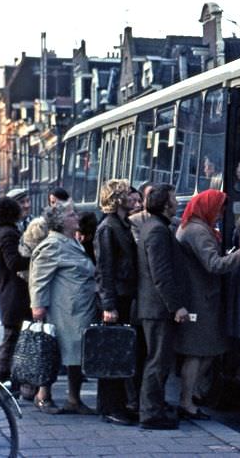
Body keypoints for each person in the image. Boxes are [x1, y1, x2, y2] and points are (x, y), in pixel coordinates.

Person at [175, 190, 240, 419]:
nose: (221, 214)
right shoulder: (199, 232)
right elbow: (214, 265)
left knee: (206, 350)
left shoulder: (190, 226)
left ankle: (191, 395)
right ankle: (187, 401)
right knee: (198, 353)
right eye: (219, 208)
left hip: (199, 298)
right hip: (201, 300)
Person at [28, 202, 97, 415]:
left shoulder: (71, 241)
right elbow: (38, 277)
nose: (76, 216)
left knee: (76, 353)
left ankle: (74, 399)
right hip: (63, 309)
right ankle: (43, 395)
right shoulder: (52, 244)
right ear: (60, 222)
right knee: (53, 351)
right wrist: (37, 306)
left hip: (77, 307)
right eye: (71, 214)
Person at [137, 184, 189, 430]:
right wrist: (175, 306)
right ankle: (150, 413)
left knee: (158, 360)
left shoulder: (155, 227)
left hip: (155, 307)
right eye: (174, 198)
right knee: (158, 361)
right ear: (165, 204)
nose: (177, 202)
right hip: (157, 309)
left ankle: (154, 408)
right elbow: (161, 274)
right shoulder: (157, 230)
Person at [95, 179, 139, 425]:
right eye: (124, 193)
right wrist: (108, 305)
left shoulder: (120, 224)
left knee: (120, 351)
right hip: (117, 297)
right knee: (113, 352)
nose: (130, 196)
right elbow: (105, 269)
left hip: (124, 294)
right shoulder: (108, 228)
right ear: (116, 198)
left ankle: (117, 404)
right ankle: (110, 406)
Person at [0, 196, 32, 389]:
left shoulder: (4, 231)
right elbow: (13, 262)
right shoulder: (8, 233)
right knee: (10, 339)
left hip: (11, 294)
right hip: (15, 294)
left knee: (12, 338)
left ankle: (7, 380)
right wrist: (35, 258)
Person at [0, 188, 30, 286]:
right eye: (22, 202)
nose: (27, 205)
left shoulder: (33, 223)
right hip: (13, 288)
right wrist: (5, 281)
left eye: (28, 201)